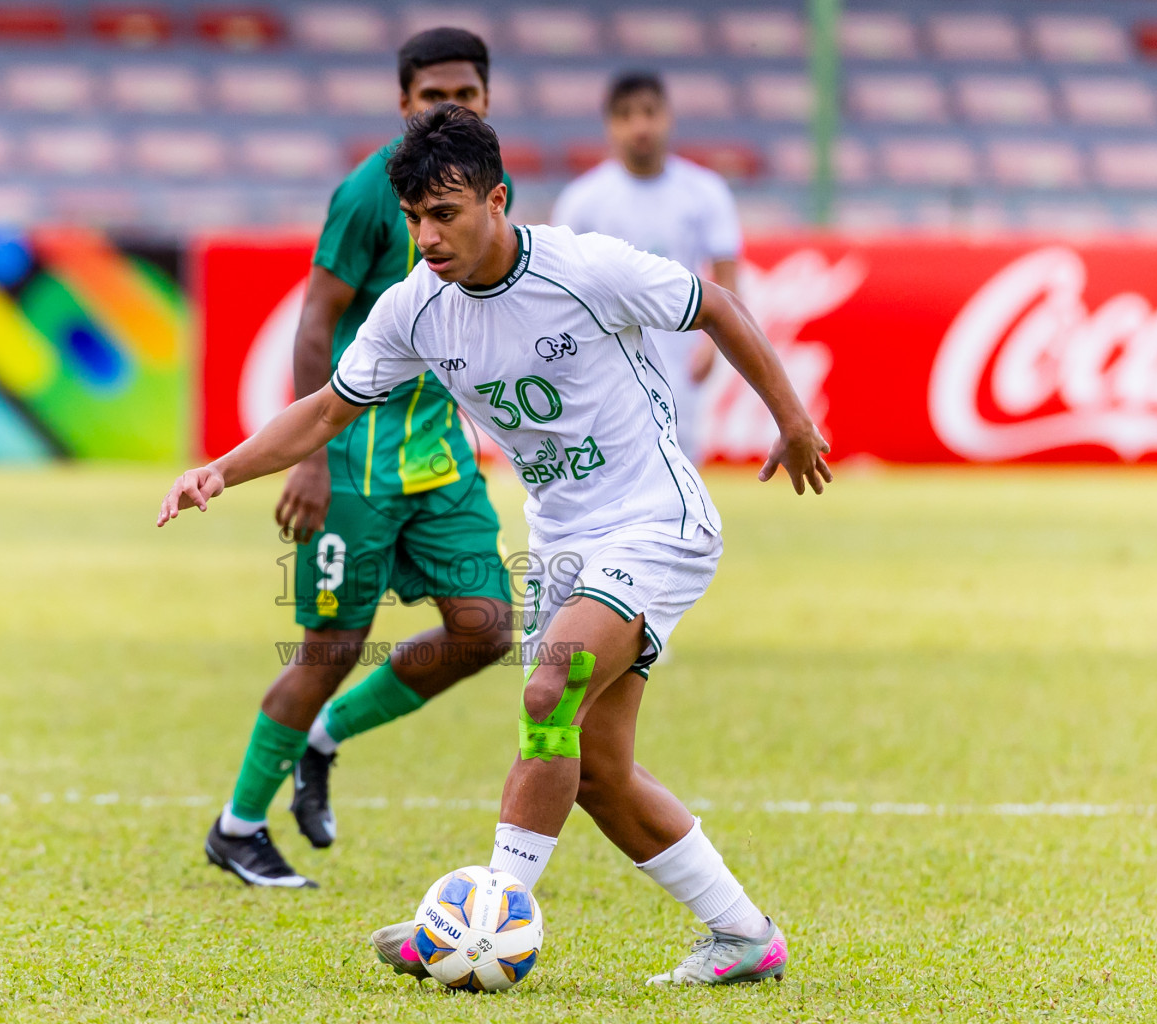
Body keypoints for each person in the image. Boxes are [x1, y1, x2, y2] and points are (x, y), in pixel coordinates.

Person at [160, 105, 830, 984]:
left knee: (551, 685)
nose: (427, 236)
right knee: (596, 770)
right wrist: (222, 470)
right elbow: (327, 409)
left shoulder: (584, 267)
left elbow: (718, 306)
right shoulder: (414, 309)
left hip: (653, 519)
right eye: (413, 218)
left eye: (445, 214)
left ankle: (480, 921)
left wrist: (792, 420)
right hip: (563, 541)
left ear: (497, 199)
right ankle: (745, 937)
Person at [199, 29, 516, 889]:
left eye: (467, 93)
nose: (450, 106)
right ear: (403, 102)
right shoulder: (369, 195)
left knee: (486, 628)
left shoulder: (492, 186)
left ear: (488, 100)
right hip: (359, 458)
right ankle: (237, 827)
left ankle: (325, 739)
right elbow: (314, 322)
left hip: (442, 455)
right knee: (330, 646)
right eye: (431, 94)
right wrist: (312, 461)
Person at [552, 71, 743, 463]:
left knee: (682, 469)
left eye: (649, 112)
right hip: (604, 363)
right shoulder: (582, 200)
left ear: (667, 117)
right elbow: (559, 285)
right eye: (626, 115)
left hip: (680, 357)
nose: (640, 126)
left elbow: (727, 276)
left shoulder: (705, 191)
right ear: (610, 125)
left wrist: (712, 345)